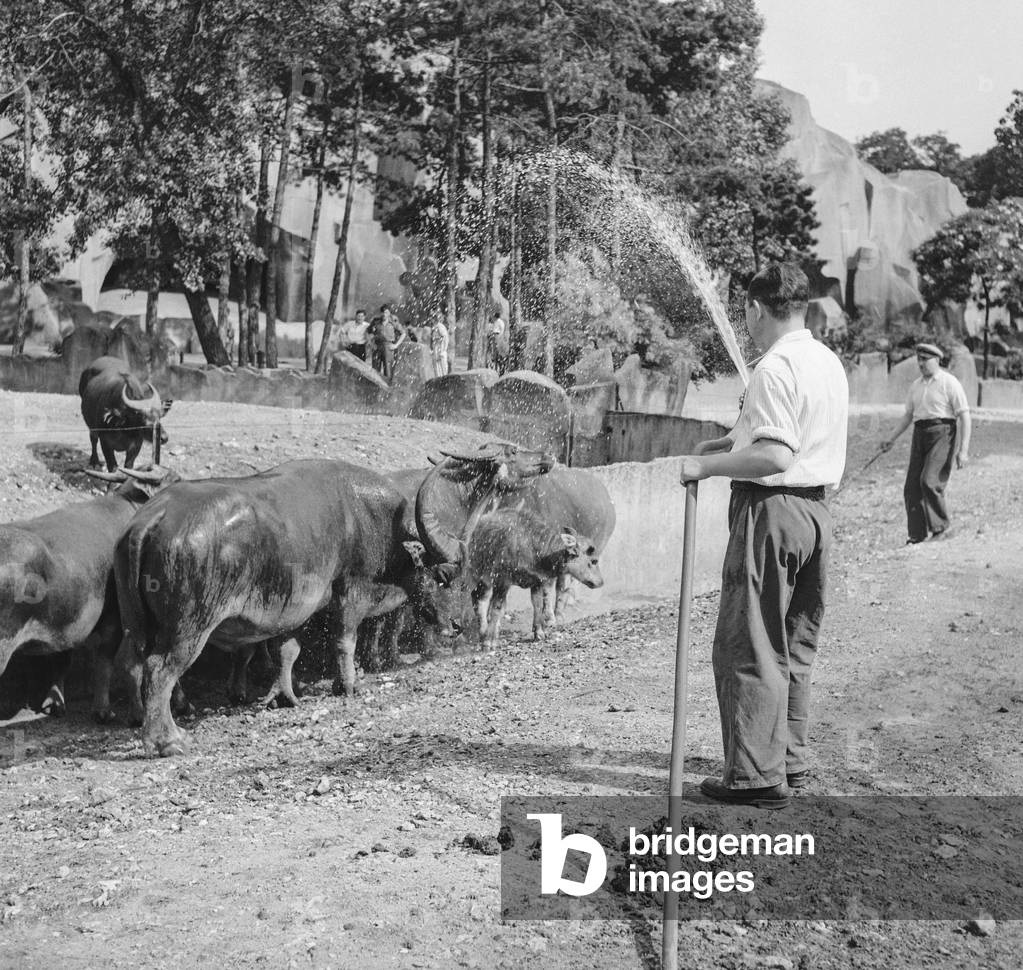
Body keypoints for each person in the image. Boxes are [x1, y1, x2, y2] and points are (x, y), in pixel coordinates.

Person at [678, 263, 849, 810]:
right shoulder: (826, 361)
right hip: (816, 514)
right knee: (794, 641)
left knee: (750, 640)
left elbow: (777, 454)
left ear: (755, 309)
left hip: (771, 510)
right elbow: (787, 432)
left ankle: (753, 776)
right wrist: (729, 444)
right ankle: (788, 761)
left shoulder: (774, 367)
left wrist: (706, 470)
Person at [880, 342, 971, 543]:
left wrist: (963, 450)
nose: (921, 363)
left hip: (943, 433)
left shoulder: (949, 382)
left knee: (929, 481)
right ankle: (917, 534)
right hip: (920, 433)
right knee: (912, 486)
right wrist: (890, 439)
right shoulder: (916, 386)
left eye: (925, 359)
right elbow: (907, 416)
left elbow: (964, 415)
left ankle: (941, 528)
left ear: (937, 360)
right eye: (919, 359)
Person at [372, 304, 406, 381]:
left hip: (388, 346)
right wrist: (371, 343)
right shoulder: (376, 322)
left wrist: (396, 345)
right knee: (375, 369)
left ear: (389, 313)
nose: (384, 314)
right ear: (380, 313)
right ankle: (374, 387)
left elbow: (403, 333)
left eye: (386, 312)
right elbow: (368, 332)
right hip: (377, 346)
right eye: (383, 312)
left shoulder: (393, 322)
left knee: (388, 369)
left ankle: (387, 388)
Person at [430, 312, 449, 377]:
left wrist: (443, 349)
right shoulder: (435, 327)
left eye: (431, 318)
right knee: (437, 366)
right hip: (436, 348)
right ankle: (439, 379)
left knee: (443, 366)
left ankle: (444, 379)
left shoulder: (440, 326)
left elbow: (445, 337)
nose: (430, 320)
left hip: (440, 349)